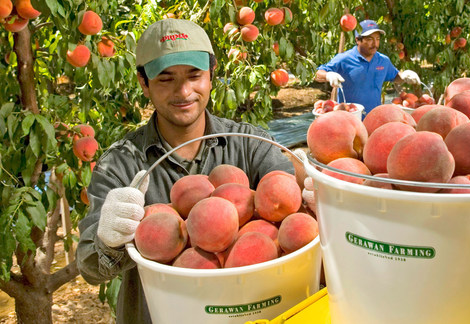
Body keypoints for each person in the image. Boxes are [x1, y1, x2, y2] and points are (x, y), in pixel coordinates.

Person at [76, 18, 300, 324]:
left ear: (211, 75)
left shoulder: (250, 144)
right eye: (166, 79)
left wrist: (315, 194)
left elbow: (292, 208)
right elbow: (89, 267)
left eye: (195, 75)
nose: (184, 91)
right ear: (144, 83)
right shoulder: (121, 163)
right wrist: (109, 240)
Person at [314, 19, 421, 113]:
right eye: (370, 39)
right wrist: (328, 75)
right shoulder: (344, 59)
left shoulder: (383, 60)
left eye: (378, 39)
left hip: (374, 118)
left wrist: (404, 76)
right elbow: (318, 74)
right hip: (349, 118)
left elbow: (394, 76)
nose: (375, 44)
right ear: (357, 40)